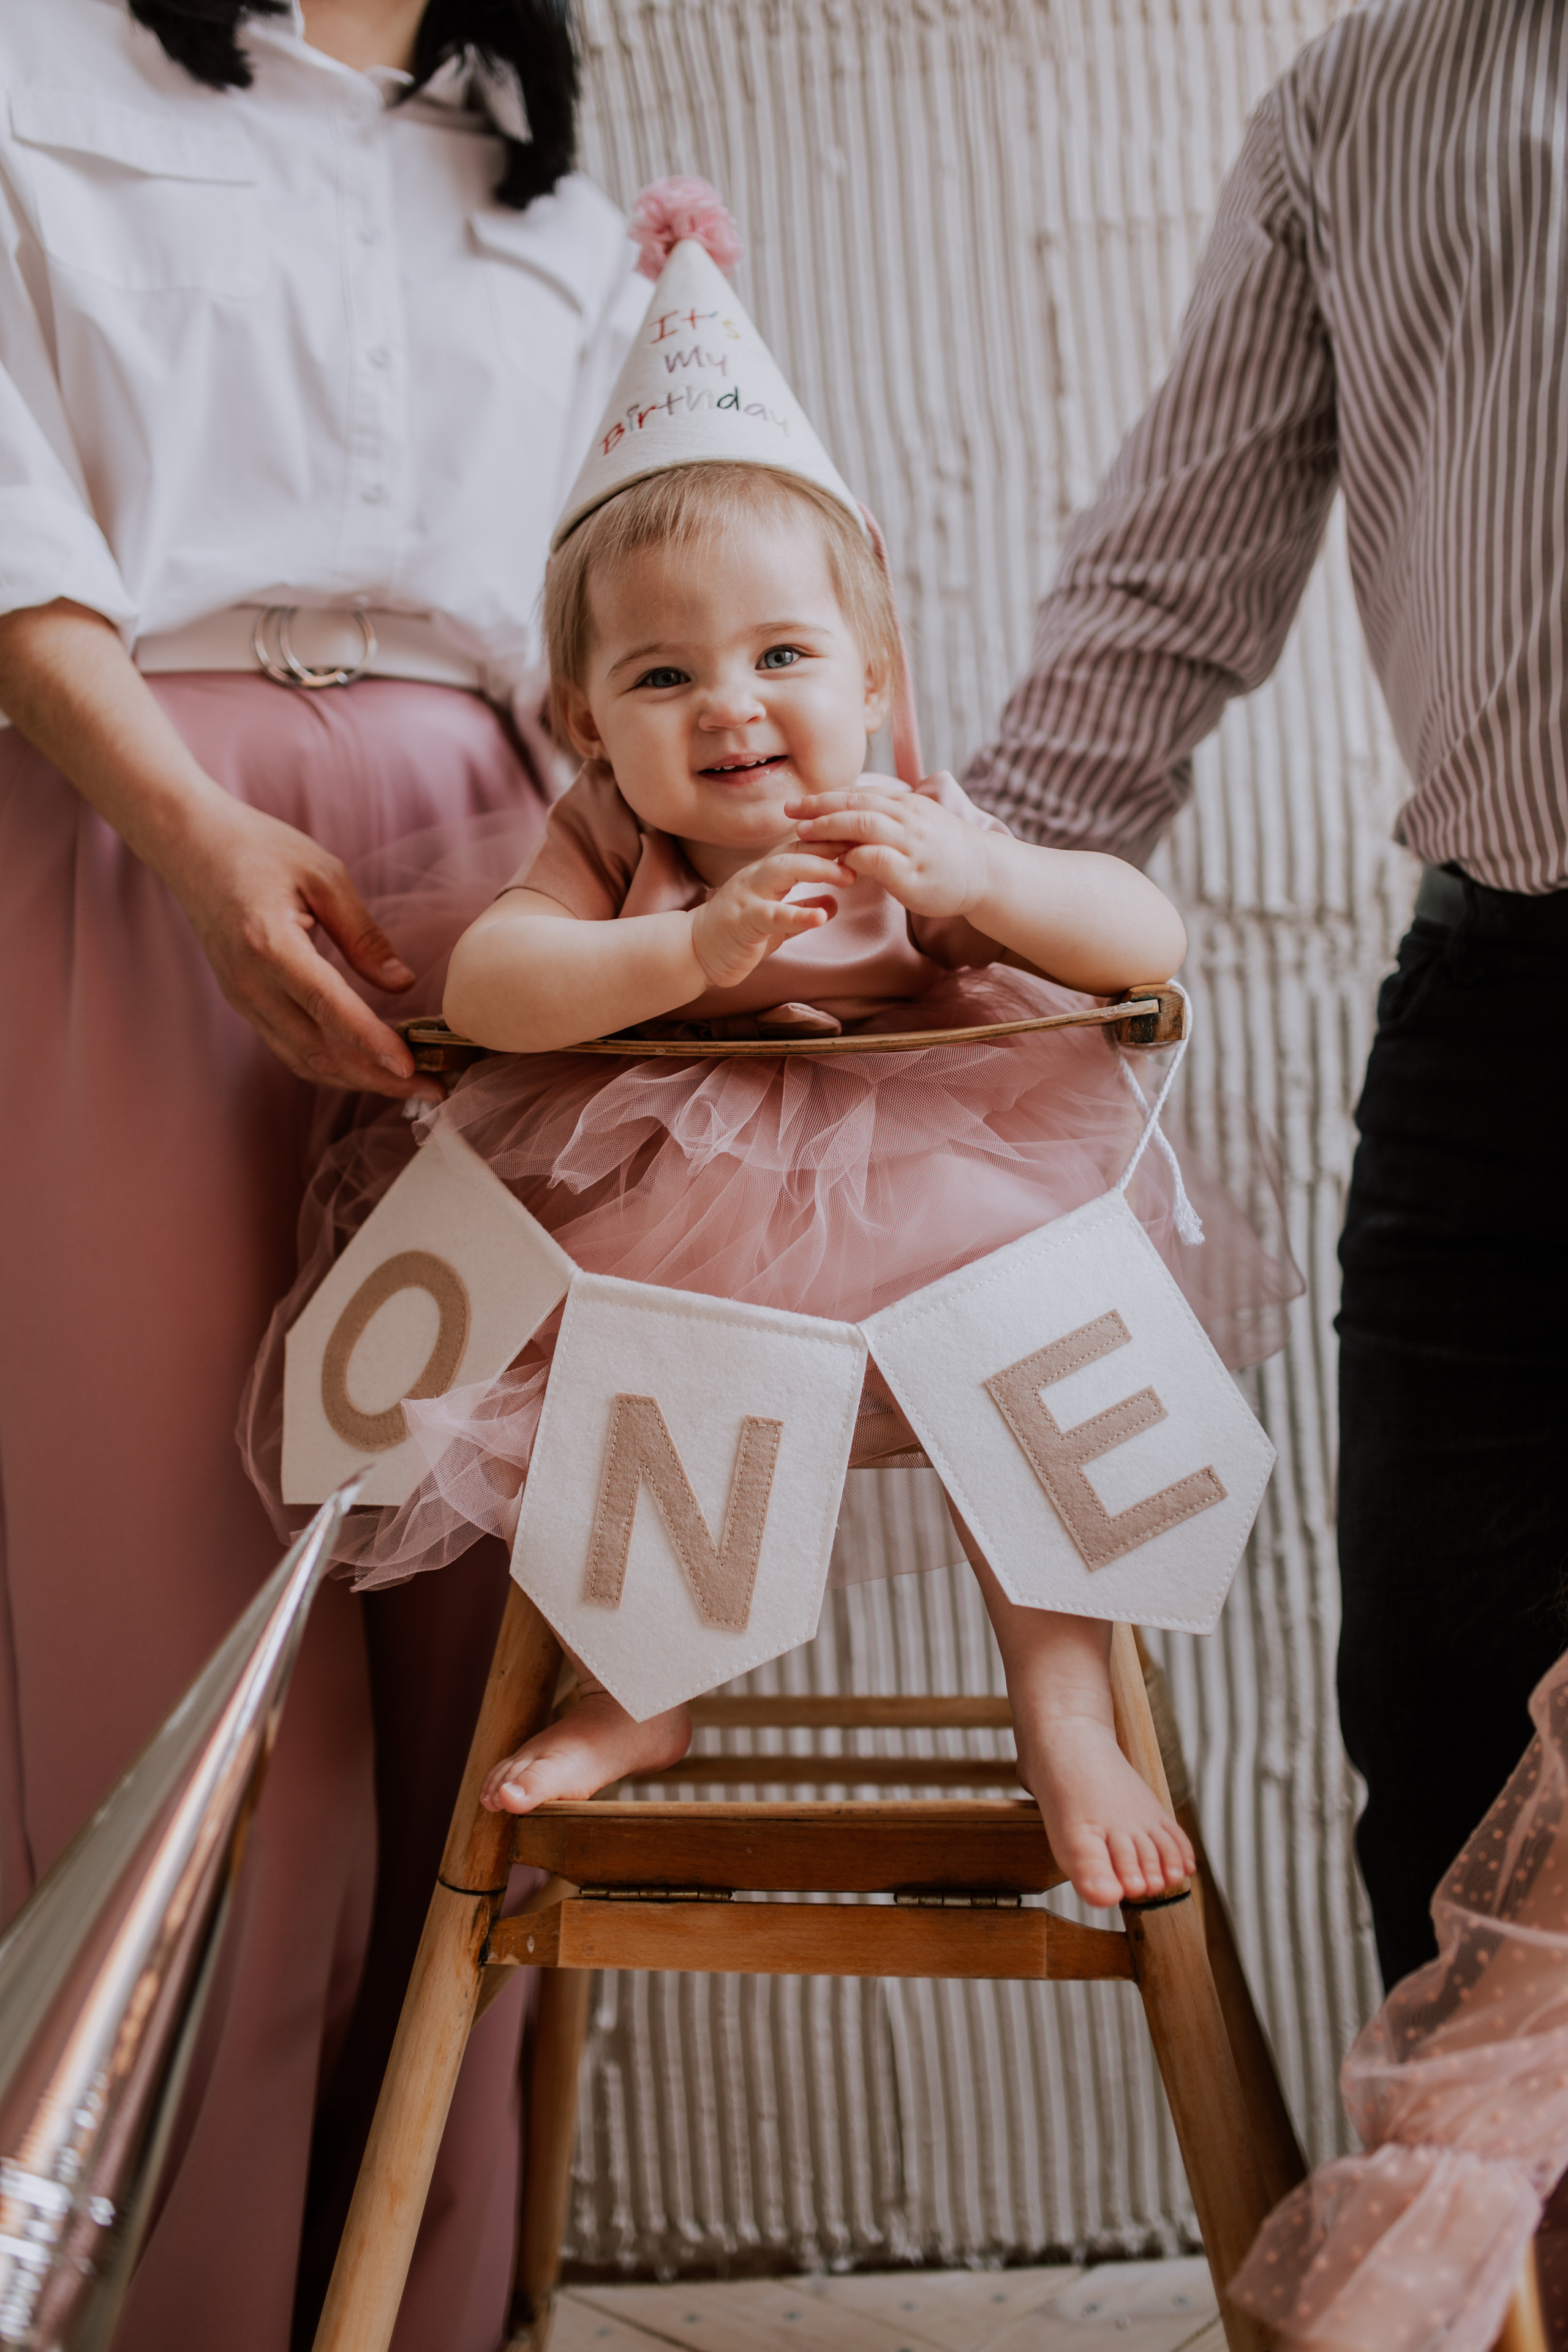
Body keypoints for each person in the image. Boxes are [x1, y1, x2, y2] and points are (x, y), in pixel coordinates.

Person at [246, 188, 1299, 1915]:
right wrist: (683, 951)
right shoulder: (607, 839)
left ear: (877, 677)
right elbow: (505, 983)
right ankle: (643, 1690)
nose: (730, 702)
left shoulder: (910, 826)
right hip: (672, 1206)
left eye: (784, 655)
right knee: (651, 1378)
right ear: (583, 720)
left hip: (943, 1191)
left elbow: (1145, 942)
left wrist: (990, 884)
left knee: (1025, 1349)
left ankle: (1067, 1703)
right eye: (663, 675)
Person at [0, 1, 644, 2346]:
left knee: (468, 1648)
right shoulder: (37, 60)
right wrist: (178, 828)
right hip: (131, 832)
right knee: (180, 1641)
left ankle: (419, 2311)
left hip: (515, 888)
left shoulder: (547, 163)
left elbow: (648, 568)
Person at [958, 0, 1568, 1988]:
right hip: (1508, 1017)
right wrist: (930, 916)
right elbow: (1167, 581)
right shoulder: (1355, 100)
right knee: (1456, 1751)